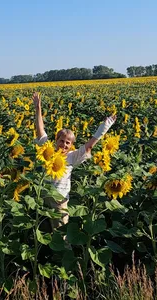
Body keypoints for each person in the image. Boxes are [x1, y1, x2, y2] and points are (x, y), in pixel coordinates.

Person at [32, 92, 116, 230]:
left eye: (68, 143)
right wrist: (38, 108)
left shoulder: (73, 156)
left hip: (60, 199)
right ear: (56, 140)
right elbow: (40, 130)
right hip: (43, 196)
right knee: (42, 227)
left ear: (71, 145)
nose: (64, 145)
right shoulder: (48, 150)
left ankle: (64, 250)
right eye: (62, 141)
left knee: (61, 230)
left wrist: (104, 127)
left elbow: (90, 145)